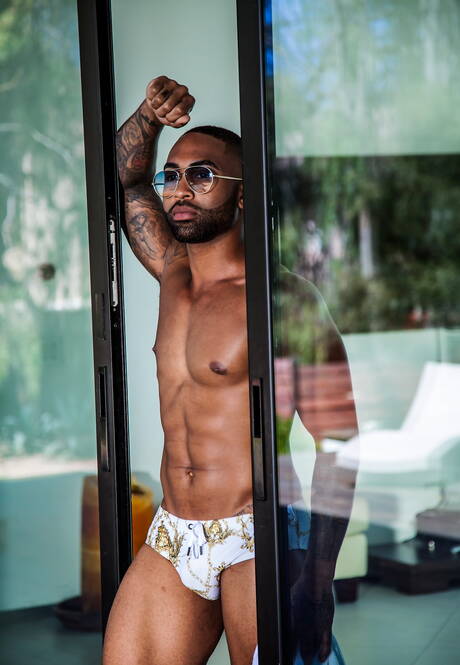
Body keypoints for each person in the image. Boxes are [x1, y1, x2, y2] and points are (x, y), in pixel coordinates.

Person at [105, 75, 355, 665]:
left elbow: (340, 442)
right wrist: (148, 115)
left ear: (243, 195)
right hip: (175, 531)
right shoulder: (172, 273)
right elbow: (129, 179)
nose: (181, 189)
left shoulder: (284, 300)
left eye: (203, 175)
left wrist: (318, 580)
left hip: (257, 530)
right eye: (174, 175)